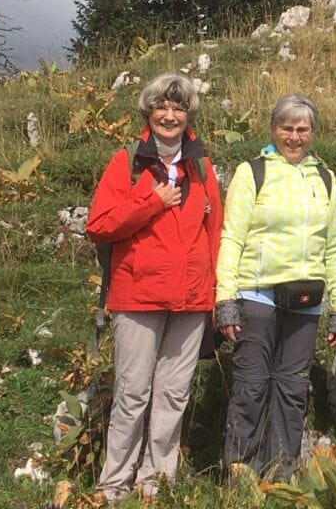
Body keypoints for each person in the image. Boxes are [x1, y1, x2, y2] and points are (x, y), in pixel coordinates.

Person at [87, 73, 222, 503]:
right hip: (138, 296)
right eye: (162, 107)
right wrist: (152, 202)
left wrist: (216, 293)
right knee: (132, 393)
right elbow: (99, 225)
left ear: (188, 115)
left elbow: (214, 231)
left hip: (192, 299)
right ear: (149, 111)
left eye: (179, 108)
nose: (170, 114)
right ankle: (114, 483)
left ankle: (156, 480)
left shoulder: (201, 165)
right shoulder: (126, 161)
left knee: (173, 394)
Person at [216, 94, 336, 481]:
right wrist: (225, 299)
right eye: (286, 128)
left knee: (292, 390)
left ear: (313, 133)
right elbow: (232, 238)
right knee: (252, 386)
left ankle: (281, 474)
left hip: (305, 300)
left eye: (302, 129)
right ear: (273, 130)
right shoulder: (252, 172)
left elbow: (335, 245)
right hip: (256, 294)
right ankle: (241, 473)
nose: (294, 137)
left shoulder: (325, 178)